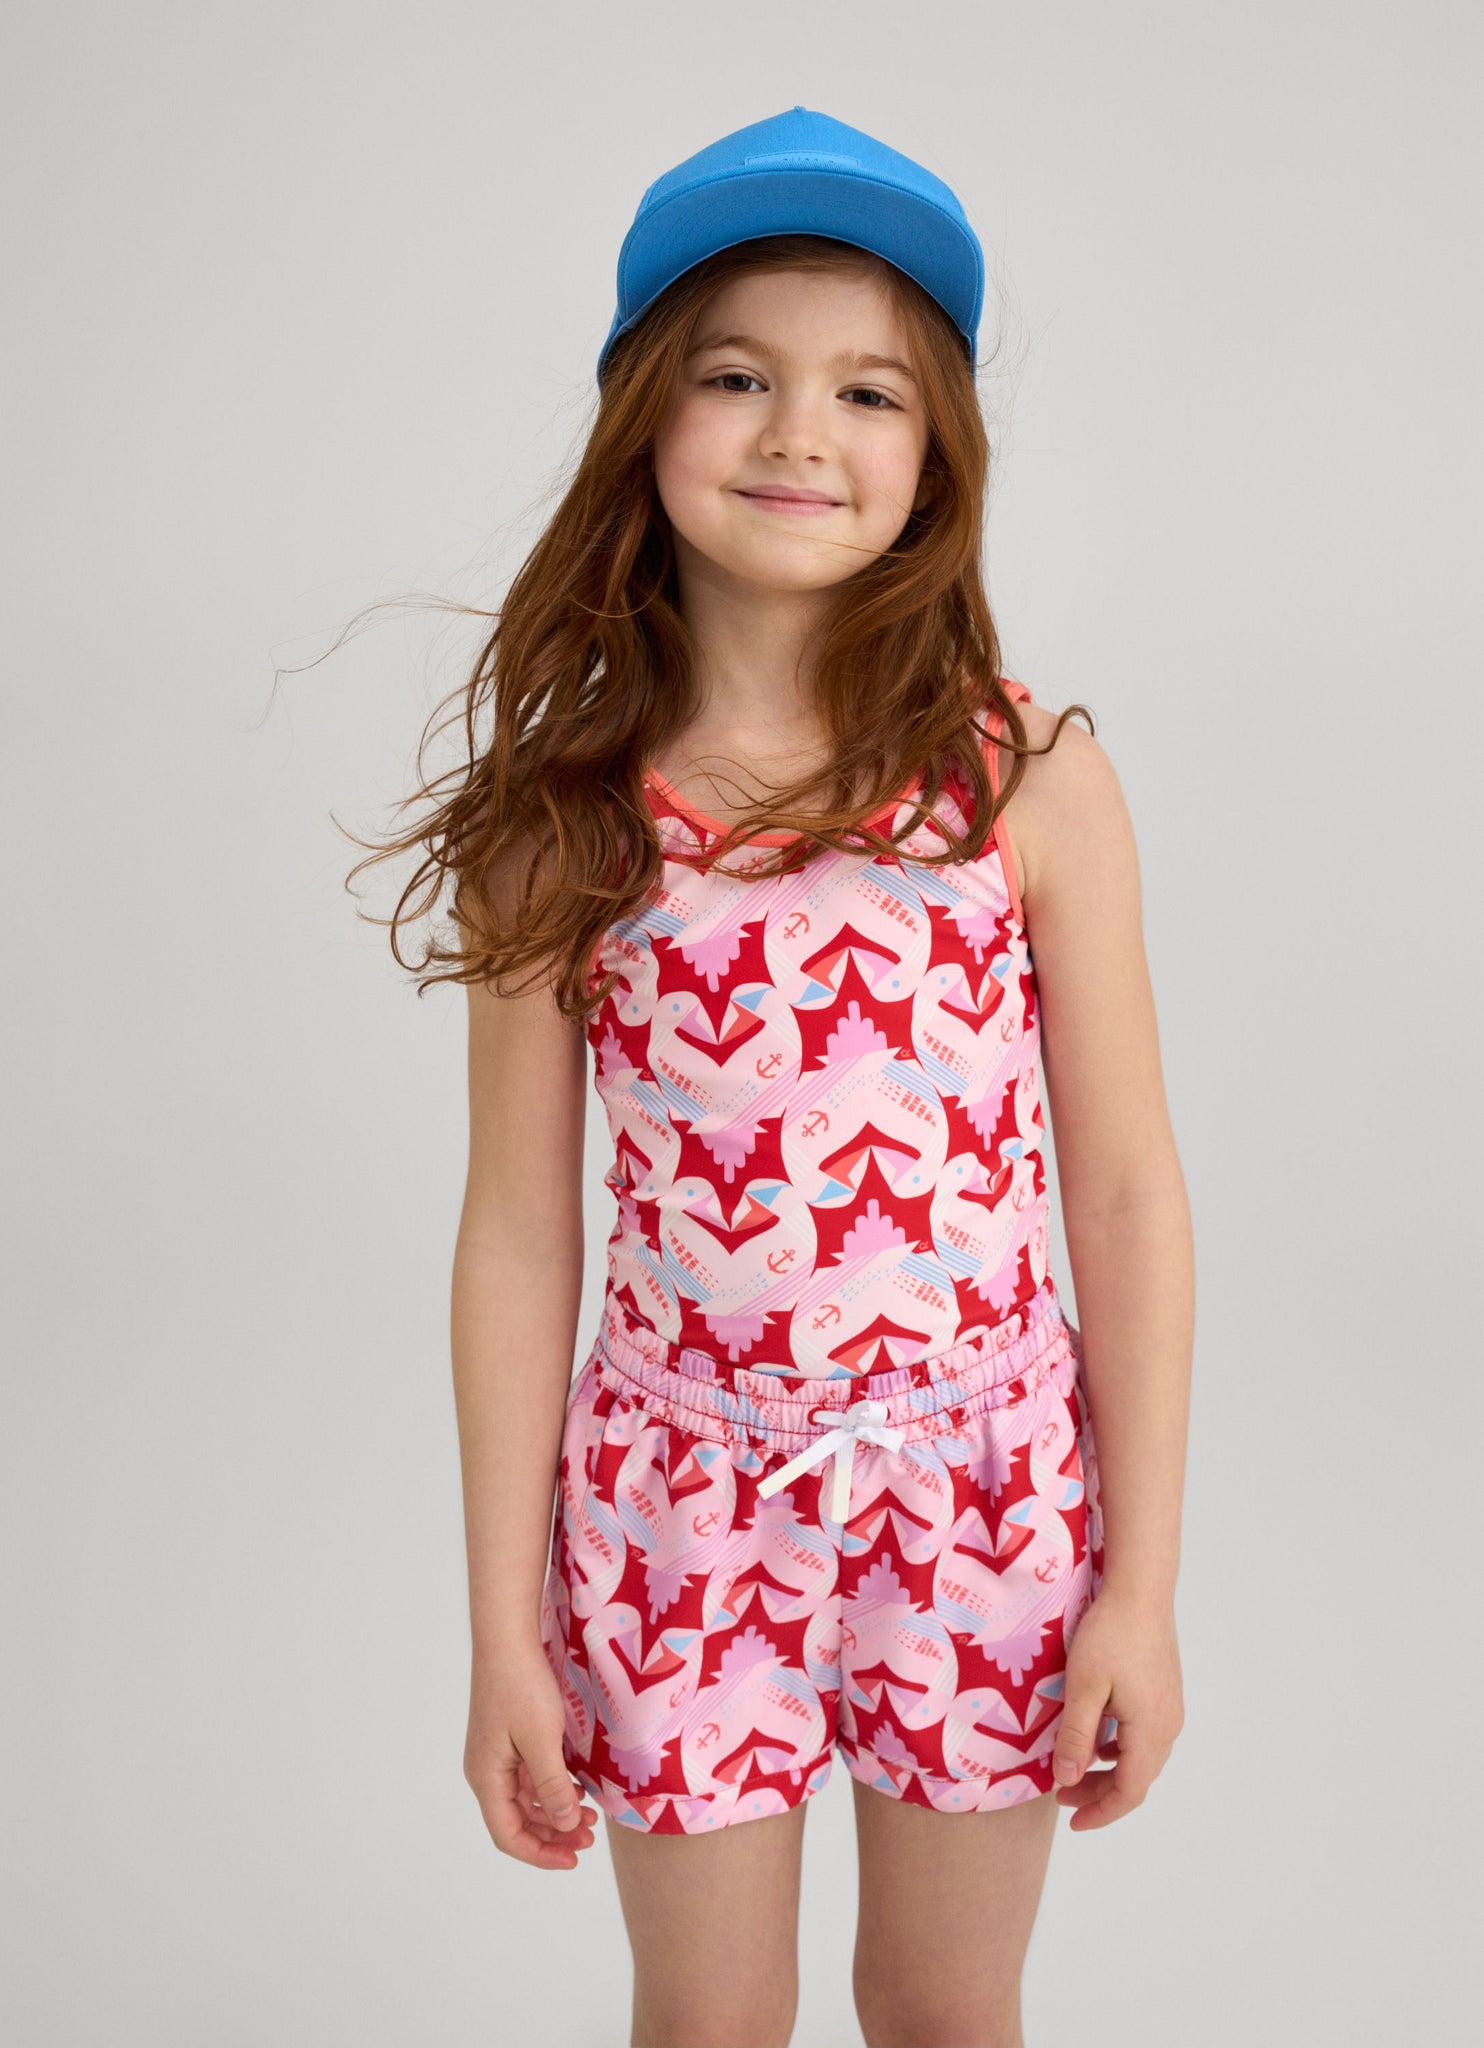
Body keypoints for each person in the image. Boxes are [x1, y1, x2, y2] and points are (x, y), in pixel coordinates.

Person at [367, 104, 1193, 2048]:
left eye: (868, 391)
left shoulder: (1030, 781)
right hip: (677, 1516)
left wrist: (1140, 1587)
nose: (800, 432)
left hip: (984, 1503)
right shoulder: (564, 824)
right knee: (707, 2020)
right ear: (647, 416)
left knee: (943, 2007)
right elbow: (516, 1238)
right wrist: (500, 1628)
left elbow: (1126, 1193)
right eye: (738, 375)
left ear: (936, 455)